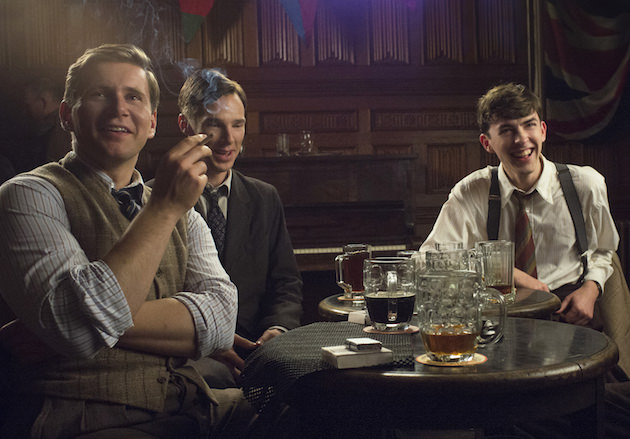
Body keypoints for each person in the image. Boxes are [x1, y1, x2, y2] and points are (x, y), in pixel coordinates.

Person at [0, 44, 255, 438]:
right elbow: (76, 328)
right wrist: (162, 210)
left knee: (309, 407)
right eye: (100, 94)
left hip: (194, 406)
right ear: (68, 115)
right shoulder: (28, 194)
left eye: (133, 97)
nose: (119, 108)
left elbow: (222, 318)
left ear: (152, 122)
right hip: (88, 419)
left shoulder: (183, 209)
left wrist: (75, 321)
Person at [420, 82, 619, 328]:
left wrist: (591, 288)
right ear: (487, 143)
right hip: (500, 319)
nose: (521, 139)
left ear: (543, 130)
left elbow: (603, 250)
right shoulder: (471, 192)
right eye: (506, 130)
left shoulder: (585, 184)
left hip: (570, 315)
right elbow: (430, 260)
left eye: (529, 125)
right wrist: (507, 274)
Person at [174, 68, 303, 387]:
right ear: (185, 125)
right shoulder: (154, 200)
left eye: (238, 124)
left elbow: (285, 283)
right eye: (214, 125)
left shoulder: (264, 197)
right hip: (189, 354)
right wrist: (207, 341)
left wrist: (277, 331)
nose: (229, 139)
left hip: (255, 349)